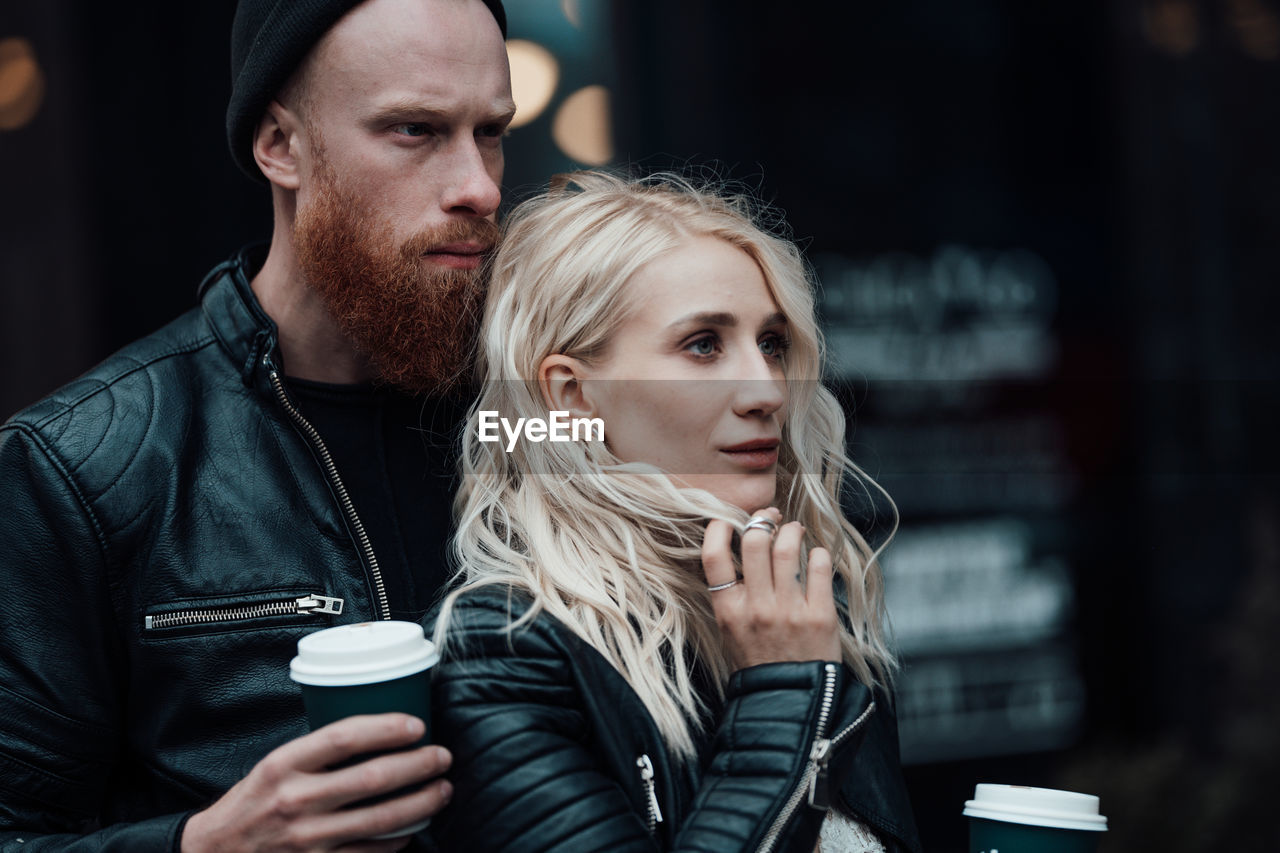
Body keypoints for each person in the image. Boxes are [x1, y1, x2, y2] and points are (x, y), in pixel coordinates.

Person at [0, 0, 513, 849]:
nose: (480, 186)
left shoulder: (544, 418)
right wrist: (204, 844)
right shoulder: (83, 468)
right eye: (415, 130)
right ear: (281, 147)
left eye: (490, 131)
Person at [425, 171, 923, 852]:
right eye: (704, 344)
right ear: (572, 395)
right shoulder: (504, 653)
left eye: (772, 343)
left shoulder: (799, 603)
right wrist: (782, 691)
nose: (767, 390)